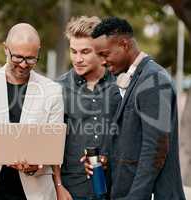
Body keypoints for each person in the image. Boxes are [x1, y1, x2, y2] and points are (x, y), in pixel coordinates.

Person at [0, 23, 64, 200]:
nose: (23, 65)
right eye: (17, 58)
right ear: (5, 49)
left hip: (35, 191)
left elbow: (54, 143)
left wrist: (36, 164)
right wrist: (9, 143)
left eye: (31, 59)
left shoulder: (52, 90)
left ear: (38, 52)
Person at [90, 16, 186, 200]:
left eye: (105, 54)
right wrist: (105, 160)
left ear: (124, 44)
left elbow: (155, 149)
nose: (102, 61)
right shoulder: (133, 78)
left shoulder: (154, 80)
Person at [57, 16, 121, 200]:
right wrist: (59, 187)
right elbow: (51, 148)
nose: (77, 59)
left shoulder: (121, 86)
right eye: (73, 51)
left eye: (85, 52)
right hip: (73, 191)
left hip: (115, 189)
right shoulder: (58, 89)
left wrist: (107, 157)